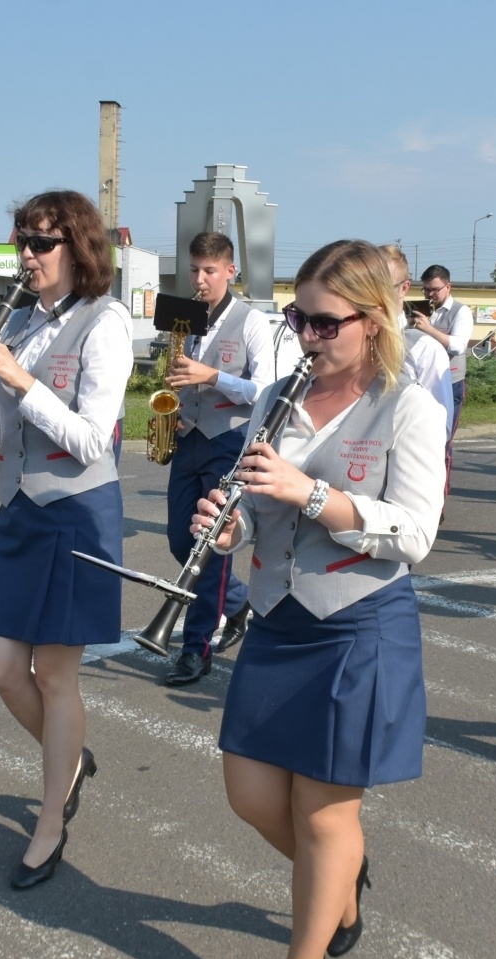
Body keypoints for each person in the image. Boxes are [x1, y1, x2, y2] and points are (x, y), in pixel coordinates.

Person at [193, 240, 443, 959]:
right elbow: (254, 508)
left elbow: (414, 536)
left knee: (328, 812)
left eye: (324, 322)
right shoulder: (276, 395)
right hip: (279, 617)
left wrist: (319, 495)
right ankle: (340, 886)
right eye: (297, 318)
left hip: (359, 623)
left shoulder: (409, 406)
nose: (306, 335)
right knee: (251, 794)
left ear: (373, 322)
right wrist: (226, 528)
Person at [0, 190, 128, 888]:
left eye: (42, 242)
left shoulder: (105, 323)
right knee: (1, 670)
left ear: (77, 248)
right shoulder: (17, 322)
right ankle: (71, 759)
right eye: (23, 239)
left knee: (55, 675)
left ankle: (51, 820)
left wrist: (20, 381)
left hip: (78, 510)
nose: (27, 254)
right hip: (19, 510)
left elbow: (89, 438)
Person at [158, 231, 274, 687]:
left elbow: (266, 390)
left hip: (230, 440)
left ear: (230, 270)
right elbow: (178, 375)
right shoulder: (185, 319)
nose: (200, 280)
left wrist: (213, 376)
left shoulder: (252, 322)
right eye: (194, 271)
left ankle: (196, 648)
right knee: (176, 540)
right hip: (190, 438)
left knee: (206, 547)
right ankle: (237, 601)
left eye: (209, 271)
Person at [407, 265, 472, 497]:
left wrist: (428, 328)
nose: (430, 295)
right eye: (426, 290)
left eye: (434, 290)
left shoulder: (460, 311)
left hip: (451, 381)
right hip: (420, 382)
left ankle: (439, 498)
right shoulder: (422, 308)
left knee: (442, 442)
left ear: (448, 286)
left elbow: (458, 345)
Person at [381, 245, 456, 435]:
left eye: (381, 286)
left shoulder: (425, 348)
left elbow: (442, 425)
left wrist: (427, 329)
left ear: (403, 288)